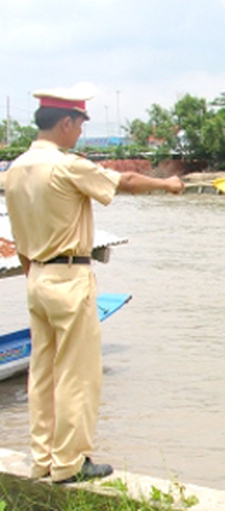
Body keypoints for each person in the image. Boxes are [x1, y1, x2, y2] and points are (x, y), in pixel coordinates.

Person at [4, 82, 185, 484]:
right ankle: (70, 464)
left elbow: (17, 232)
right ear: (66, 122)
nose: (81, 132)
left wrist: (34, 272)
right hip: (69, 275)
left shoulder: (15, 169)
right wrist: (168, 185)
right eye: (80, 124)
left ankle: (43, 459)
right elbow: (127, 183)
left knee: (43, 371)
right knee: (77, 373)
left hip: (36, 276)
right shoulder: (66, 165)